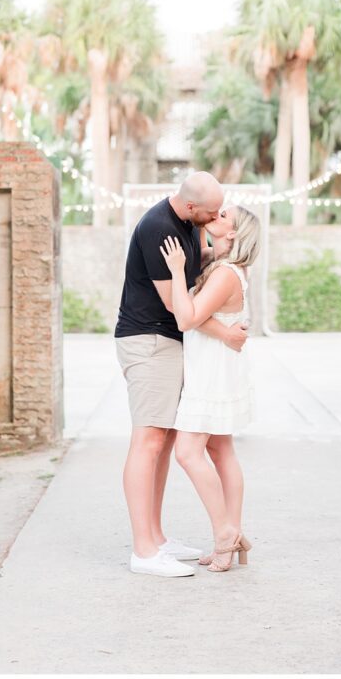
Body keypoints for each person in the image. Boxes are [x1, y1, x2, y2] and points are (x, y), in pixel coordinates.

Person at [114, 172, 248, 578]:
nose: (216, 216)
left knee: (167, 440)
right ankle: (143, 550)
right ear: (191, 207)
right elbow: (179, 307)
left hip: (171, 343)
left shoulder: (191, 226)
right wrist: (225, 332)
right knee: (149, 439)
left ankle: (157, 537)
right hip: (149, 340)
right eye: (213, 211)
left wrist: (219, 254)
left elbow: (192, 278)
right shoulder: (159, 229)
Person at [160, 204, 261, 573]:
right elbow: (202, 317)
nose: (214, 217)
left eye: (222, 216)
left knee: (188, 452)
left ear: (232, 233)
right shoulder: (221, 267)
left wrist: (173, 270)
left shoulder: (225, 274)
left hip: (213, 373)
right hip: (217, 365)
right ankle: (232, 534)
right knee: (221, 451)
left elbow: (186, 318)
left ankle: (224, 533)